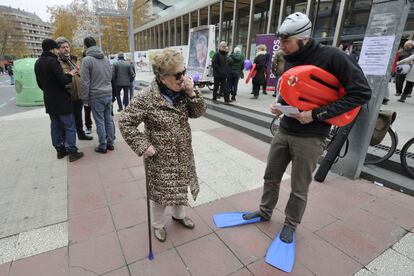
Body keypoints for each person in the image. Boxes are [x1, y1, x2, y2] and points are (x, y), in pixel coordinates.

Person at [243, 12, 371, 243]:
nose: (281, 47)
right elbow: (297, 89)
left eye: (286, 41)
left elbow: (362, 93)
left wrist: (316, 114)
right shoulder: (290, 55)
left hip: (311, 136)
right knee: (270, 177)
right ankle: (264, 211)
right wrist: (280, 105)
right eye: (280, 41)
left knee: (299, 186)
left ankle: (291, 224)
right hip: (284, 129)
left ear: (303, 38)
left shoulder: (334, 57)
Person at [118, 48, 206, 242]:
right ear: (162, 77)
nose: (183, 78)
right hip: (159, 157)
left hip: (183, 152)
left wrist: (192, 93)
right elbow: (125, 121)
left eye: (184, 72)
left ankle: (179, 216)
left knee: (180, 185)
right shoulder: (146, 97)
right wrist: (142, 145)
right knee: (160, 194)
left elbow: (198, 112)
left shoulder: (184, 91)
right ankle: (158, 225)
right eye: (178, 75)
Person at [34, 38, 84, 162]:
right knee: (69, 125)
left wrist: (49, 90)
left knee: (55, 125)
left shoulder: (38, 62)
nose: (58, 51)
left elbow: (39, 83)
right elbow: (63, 80)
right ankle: (72, 151)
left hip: (49, 100)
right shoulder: (53, 61)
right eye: (57, 48)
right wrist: (70, 74)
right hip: (61, 100)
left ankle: (60, 150)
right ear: (52, 49)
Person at [80, 37, 115, 154]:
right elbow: (110, 75)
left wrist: (84, 98)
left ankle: (102, 145)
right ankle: (110, 143)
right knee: (109, 119)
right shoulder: (105, 58)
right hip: (108, 93)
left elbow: (85, 81)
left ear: (85, 46)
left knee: (99, 121)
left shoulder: (87, 60)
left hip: (96, 95)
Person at [56, 37, 93, 141]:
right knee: (68, 120)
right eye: (63, 47)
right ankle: (67, 140)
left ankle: (81, 134)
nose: (66, 49)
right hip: (67, 95)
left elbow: (81, 74)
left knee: (78, 117)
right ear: (58, 49)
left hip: (78, 94)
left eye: (67, 47)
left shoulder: (75, 59)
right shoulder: (57, 62)